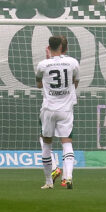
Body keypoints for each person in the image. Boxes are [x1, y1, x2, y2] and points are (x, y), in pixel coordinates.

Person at [35, 34, 80, 189]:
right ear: (63, 47)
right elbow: (75, 83)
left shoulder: (42, 65)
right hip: (66, 109)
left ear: (49, 47)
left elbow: (39, 85)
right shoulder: (73, 62)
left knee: (46, 143)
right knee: (66, 142)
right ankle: (68, 177)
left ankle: (48, 182)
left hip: (48, 109)